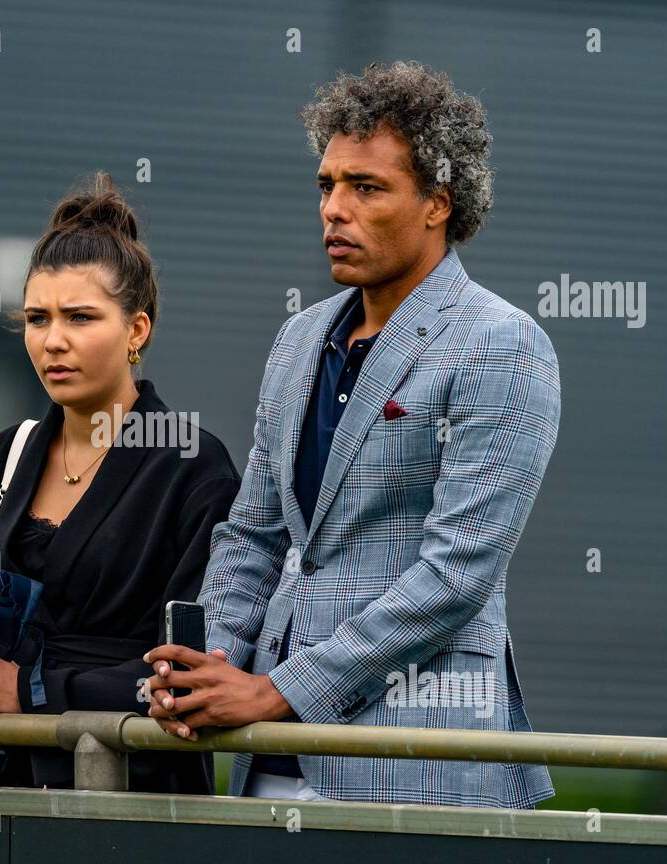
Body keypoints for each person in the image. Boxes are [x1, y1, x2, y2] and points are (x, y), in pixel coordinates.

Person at [145, 61, 562, 808]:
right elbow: (253, 536)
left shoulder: (504, 343)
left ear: (438, 203)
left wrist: (275, 692)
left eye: (366, 188)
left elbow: (454, 580)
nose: (334, 209)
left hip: (420, 760)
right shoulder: (299, 340)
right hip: (269, 753)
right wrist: (207, 668)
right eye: (327, 185)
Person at [0, 173, 241, 794]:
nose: (53, 340)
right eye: (37, 318)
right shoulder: (3, 457)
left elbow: (192, 670)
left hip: (127, 805)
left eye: (80, 318)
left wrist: (33, 690)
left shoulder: (194, 467)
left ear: (137, 330)